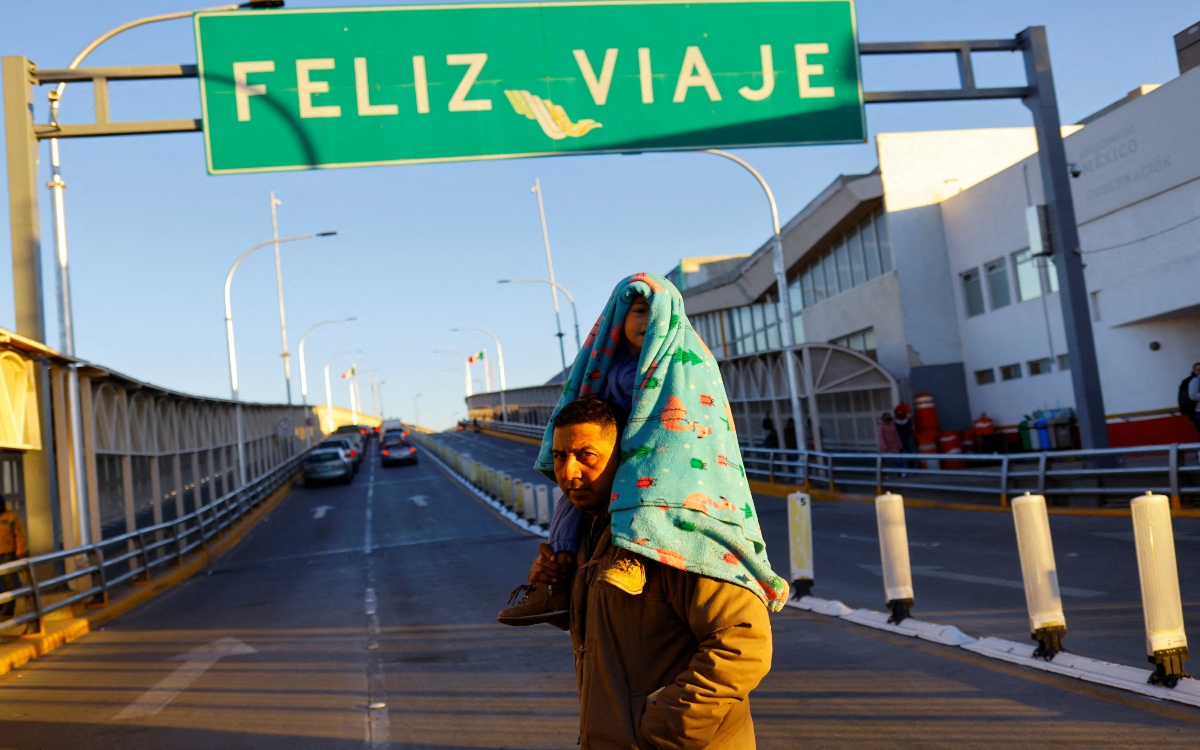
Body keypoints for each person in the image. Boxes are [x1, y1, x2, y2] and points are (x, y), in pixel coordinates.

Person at [529, 398, 773, 749]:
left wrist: (667, 728)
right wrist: (556, 585)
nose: (568, 472)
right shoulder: (593, 533)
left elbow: (743, 640)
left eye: (586, 455)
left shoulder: (675, 532)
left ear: (627, 455)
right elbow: (611, 630)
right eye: (559, 456)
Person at [497, 292, 650, 626]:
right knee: (568, 502)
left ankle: (633, 554)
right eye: (638, 311)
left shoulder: (675, 368)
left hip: (647, 459)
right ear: (618, 321)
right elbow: (592, 628)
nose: (646, 320)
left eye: (585, 456)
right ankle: (554, 583)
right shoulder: (611, 366)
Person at [0, 494, 27, 619]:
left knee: (9, 581)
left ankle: (9, 607)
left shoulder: (11, 516)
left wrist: (20, 551)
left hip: (8, 553)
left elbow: (20, 535)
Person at [1180, 363, 1200, 438]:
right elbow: (1193, 395)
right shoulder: (1194, 381)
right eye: (1199, 370)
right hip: (1197, 410)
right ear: (1194, 371)